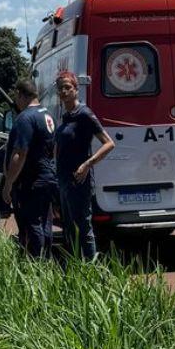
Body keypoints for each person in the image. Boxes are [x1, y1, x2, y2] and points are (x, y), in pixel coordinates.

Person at [53, 71, 114, 260]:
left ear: (76, 90)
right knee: (69, 227)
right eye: (60, 88)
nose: (64, 92)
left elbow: (109, 143)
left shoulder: (84, 114)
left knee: (82, 226)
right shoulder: (66, 116)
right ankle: (74, 268)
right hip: (63, 180)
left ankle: (90, 268)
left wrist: (87, 164)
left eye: (67, 87)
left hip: (79, 181)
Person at [0, 79, 57, 258]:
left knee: (31, 224)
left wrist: (8, 183)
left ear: (20, 94)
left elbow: (19, 154)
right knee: (45, 223)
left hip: (30, 181)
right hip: (47, 177)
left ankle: (35, 264)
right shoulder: (47, 115)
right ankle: (46, 261)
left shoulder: (25, 118)